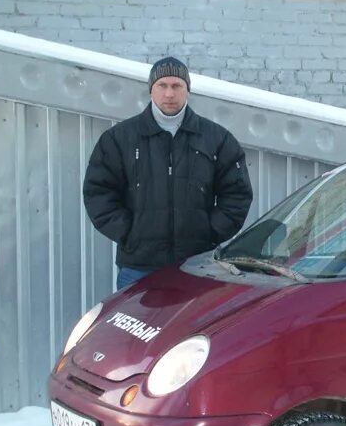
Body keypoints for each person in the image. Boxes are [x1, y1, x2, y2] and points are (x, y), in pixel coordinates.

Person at [83, 57, 253, 290]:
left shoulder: (216, 139)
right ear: (151, 90)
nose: (169, 94)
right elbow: (98, 192)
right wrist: (129, 232)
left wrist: (209, 233)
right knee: (136, 326)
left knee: (193, 327)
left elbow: (237, 194)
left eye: (177, 86)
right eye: (162, 86)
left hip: (197, 265)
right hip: (138, 265)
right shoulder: (119, 139)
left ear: (187, 90)